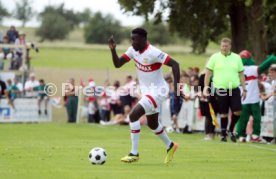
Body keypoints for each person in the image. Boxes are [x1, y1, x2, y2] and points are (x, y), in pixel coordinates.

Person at [108, 28, 181, 164]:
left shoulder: (153, 52)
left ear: (143, 39)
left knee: (133, 115)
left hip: (159, 91)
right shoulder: (132, 50)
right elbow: (118, 64)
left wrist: (176, 88)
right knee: (153, 124)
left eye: (134, 39)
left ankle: (134, 153)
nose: (132, 42)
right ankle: (170, 145)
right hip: (147, 92)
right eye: (132, 39)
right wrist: (113, 49)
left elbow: (175, 64)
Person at [203, 37, 247, 142]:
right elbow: (208, 73)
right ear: (220, 46)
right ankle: (223, 135)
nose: (224, 48)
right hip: (220, 89)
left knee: (237, 111)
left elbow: (241, 74)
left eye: (226, 46)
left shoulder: (237, 58)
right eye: (222, 46)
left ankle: (231, 130)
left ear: (230, 46)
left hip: (234, 88)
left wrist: (244, 88)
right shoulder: (214, 57)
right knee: (224, 113)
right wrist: (205, 86)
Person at [235, 52, 276, 142]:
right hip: (253, 98)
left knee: (243, 119)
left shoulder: (236, 70)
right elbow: (263, 66)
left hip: (244, 99)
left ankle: (242, 136)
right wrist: (272, 59)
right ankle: (255, 135)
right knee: (256, 118)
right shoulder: (252, 69)